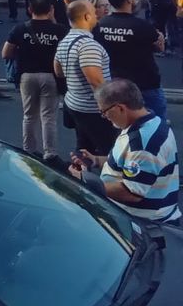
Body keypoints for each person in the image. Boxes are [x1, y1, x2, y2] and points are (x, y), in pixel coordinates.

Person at [70, 79, 179, 223]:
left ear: (120, 108)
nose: (105, 117)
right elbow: (128, 163)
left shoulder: (142, 144)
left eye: (104, 112)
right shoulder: (152, 122)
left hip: (142, 222)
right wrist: (95, 160)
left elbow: (132, 192)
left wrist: (85, 182)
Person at [2, 0, 67, 163]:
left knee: (29, 115)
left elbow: (5, 53)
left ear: (30, 10)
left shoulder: (20, 29)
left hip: (27, 76)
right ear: (51, 9)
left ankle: (29, 150)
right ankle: (50, 153)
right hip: (51, 76)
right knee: (49, 116)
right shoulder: (60, 30)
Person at [54, 0, 116, 155]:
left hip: (74, 103)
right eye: (94, 12)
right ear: (87, 17)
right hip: (93, 109)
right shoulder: (88, 45)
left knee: (84, 147)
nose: (96, 15)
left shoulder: (65, 41)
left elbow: (58, 71)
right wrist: (108, 107)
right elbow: (95, 81)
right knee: (109, 150)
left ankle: (77, 174)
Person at [96, 0, 166, 119]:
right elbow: (159, 47)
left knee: (123, 122)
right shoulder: (142, 25)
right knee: (155, 121)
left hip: (115, 82)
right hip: (145, 82)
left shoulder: (101, 24)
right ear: (128, 0)